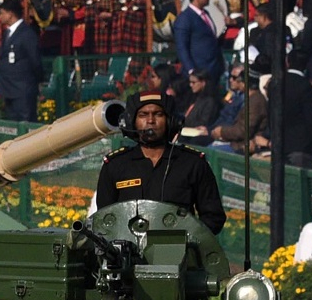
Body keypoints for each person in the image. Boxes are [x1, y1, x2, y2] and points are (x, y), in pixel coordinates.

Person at [93, 88, 225, 231]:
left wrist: (187, 240)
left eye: (158, 114)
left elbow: (213, 218)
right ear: (131, 122)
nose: (150, 120)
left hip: (179, 250)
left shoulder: (193, 163)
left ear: (171, 121)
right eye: (143, 115)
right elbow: (104, 219)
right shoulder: (115, 165)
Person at [0, 0, 41, 122]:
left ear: (10, 14)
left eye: (2, 14)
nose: (0, 17)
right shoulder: (8, 33)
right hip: (8, 89)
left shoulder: (27, 34)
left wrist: (35, 82)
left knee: (26, 125)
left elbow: (35, 60)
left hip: (23, 90)